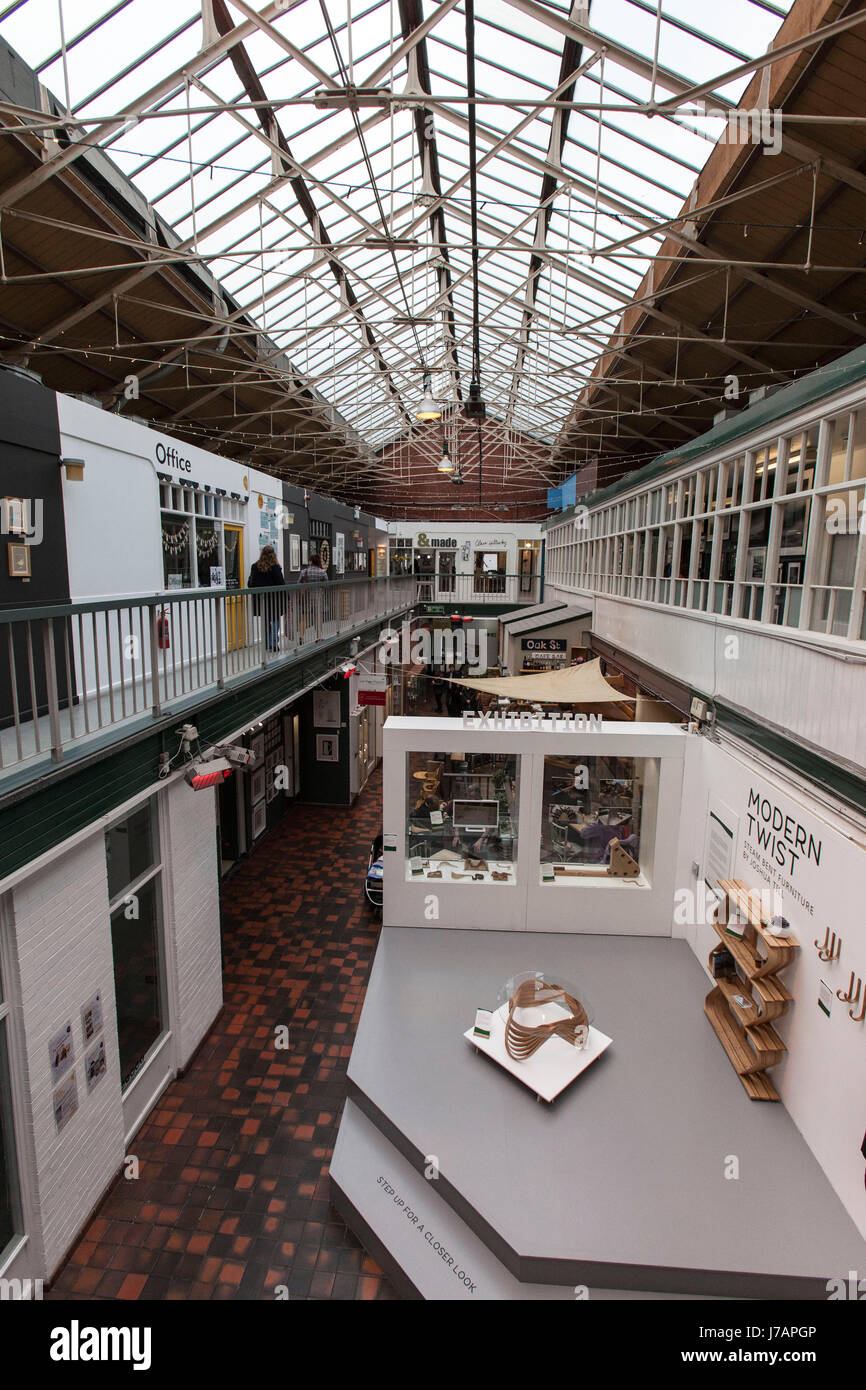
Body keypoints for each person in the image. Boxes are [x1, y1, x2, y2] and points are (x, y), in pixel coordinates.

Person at [247, 545, 285, 652]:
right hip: (274, 599)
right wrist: (286, 598)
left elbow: (250, 583)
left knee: (265, 620)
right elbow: (281, 583)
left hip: (261, 599)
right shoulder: (275, 567)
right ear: (273, 554)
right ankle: (273, 642)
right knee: (275, 619)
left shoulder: (255, 566)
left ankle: (267, 643)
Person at [298, 551, 327, 640]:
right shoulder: (322, 572)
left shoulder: (304, 572)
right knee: (318, 618)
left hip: (306, 598)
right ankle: (318, 637)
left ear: (311, 561)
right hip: (318, 597)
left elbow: (299, 583)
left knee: (304, 619)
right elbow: (326, 584)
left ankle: (301, 636)